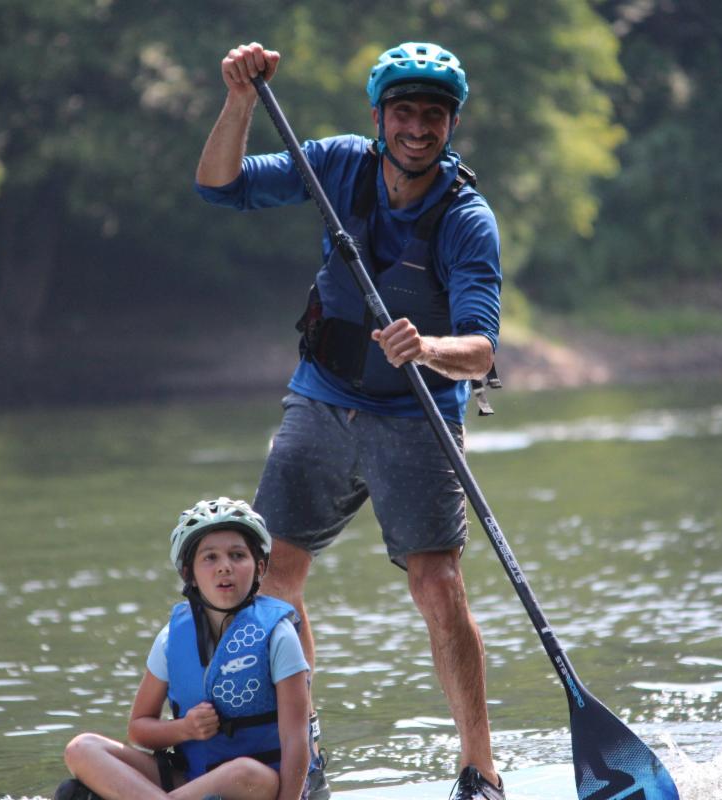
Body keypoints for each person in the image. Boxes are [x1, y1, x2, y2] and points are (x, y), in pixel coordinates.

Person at [195, 41, 505, 800]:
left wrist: (427, 347)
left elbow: (482, 349)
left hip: (416, 414)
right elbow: (221, 186)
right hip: (324, 398)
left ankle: (480, 769)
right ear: (378, 116)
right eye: (404, 112)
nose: (417, 127)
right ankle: (302, 758)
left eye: (433, 115)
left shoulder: (467, 219)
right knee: (274, 577)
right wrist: (240, 99)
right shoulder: (339, 166)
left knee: (437, 584)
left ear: (452, 124)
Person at [54, 498, 312, 800]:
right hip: (190, 781)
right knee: (82, 748)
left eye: (238, 555)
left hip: (257, 786)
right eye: (210, 557)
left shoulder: (279, 636)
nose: (224, 567)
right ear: (189, 574)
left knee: (242, 771)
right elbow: (139, 730)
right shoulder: (170, 639)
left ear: (260, 567)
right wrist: (185, 729)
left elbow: (296, 739)